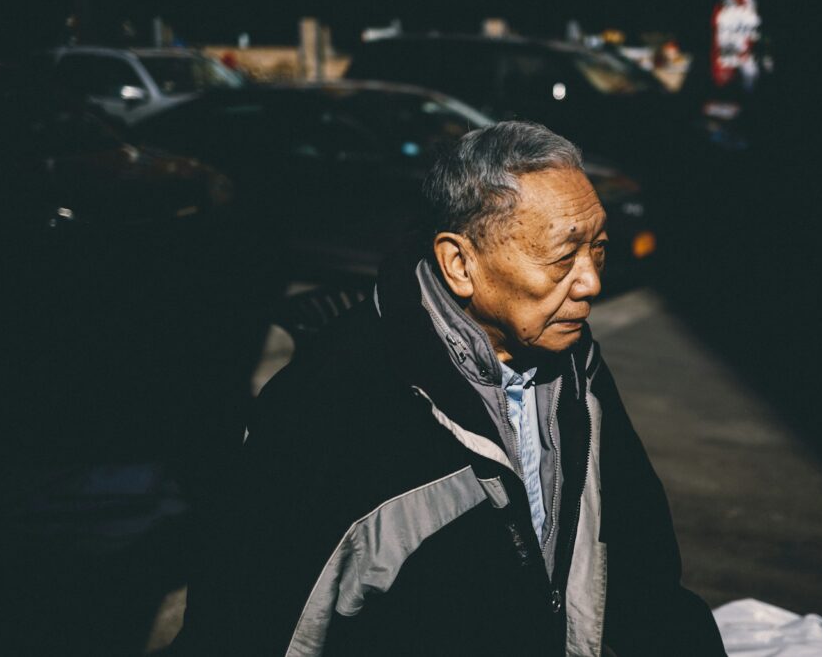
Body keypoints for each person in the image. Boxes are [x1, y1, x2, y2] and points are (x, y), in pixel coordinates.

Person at [181, 121, 725, 656]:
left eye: (598, 248)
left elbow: (644, 574)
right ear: (460, 264)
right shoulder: (328, 409)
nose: (591, 282)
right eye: (562, 257)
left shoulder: (575, 367)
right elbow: (245, 627)